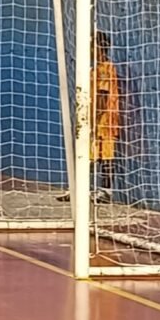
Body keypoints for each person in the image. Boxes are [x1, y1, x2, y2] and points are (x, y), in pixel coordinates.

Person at [59, 31, 119, 204]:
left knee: (106, 157)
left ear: (100, 47)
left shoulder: (106, 68)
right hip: (93, 121)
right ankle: (79, 188)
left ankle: (106, 191)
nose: (89, 50)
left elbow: (103, 95)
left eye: (92, 46)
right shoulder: (93, 70)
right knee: (87, 156)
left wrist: (94, 118)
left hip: (105, 121)